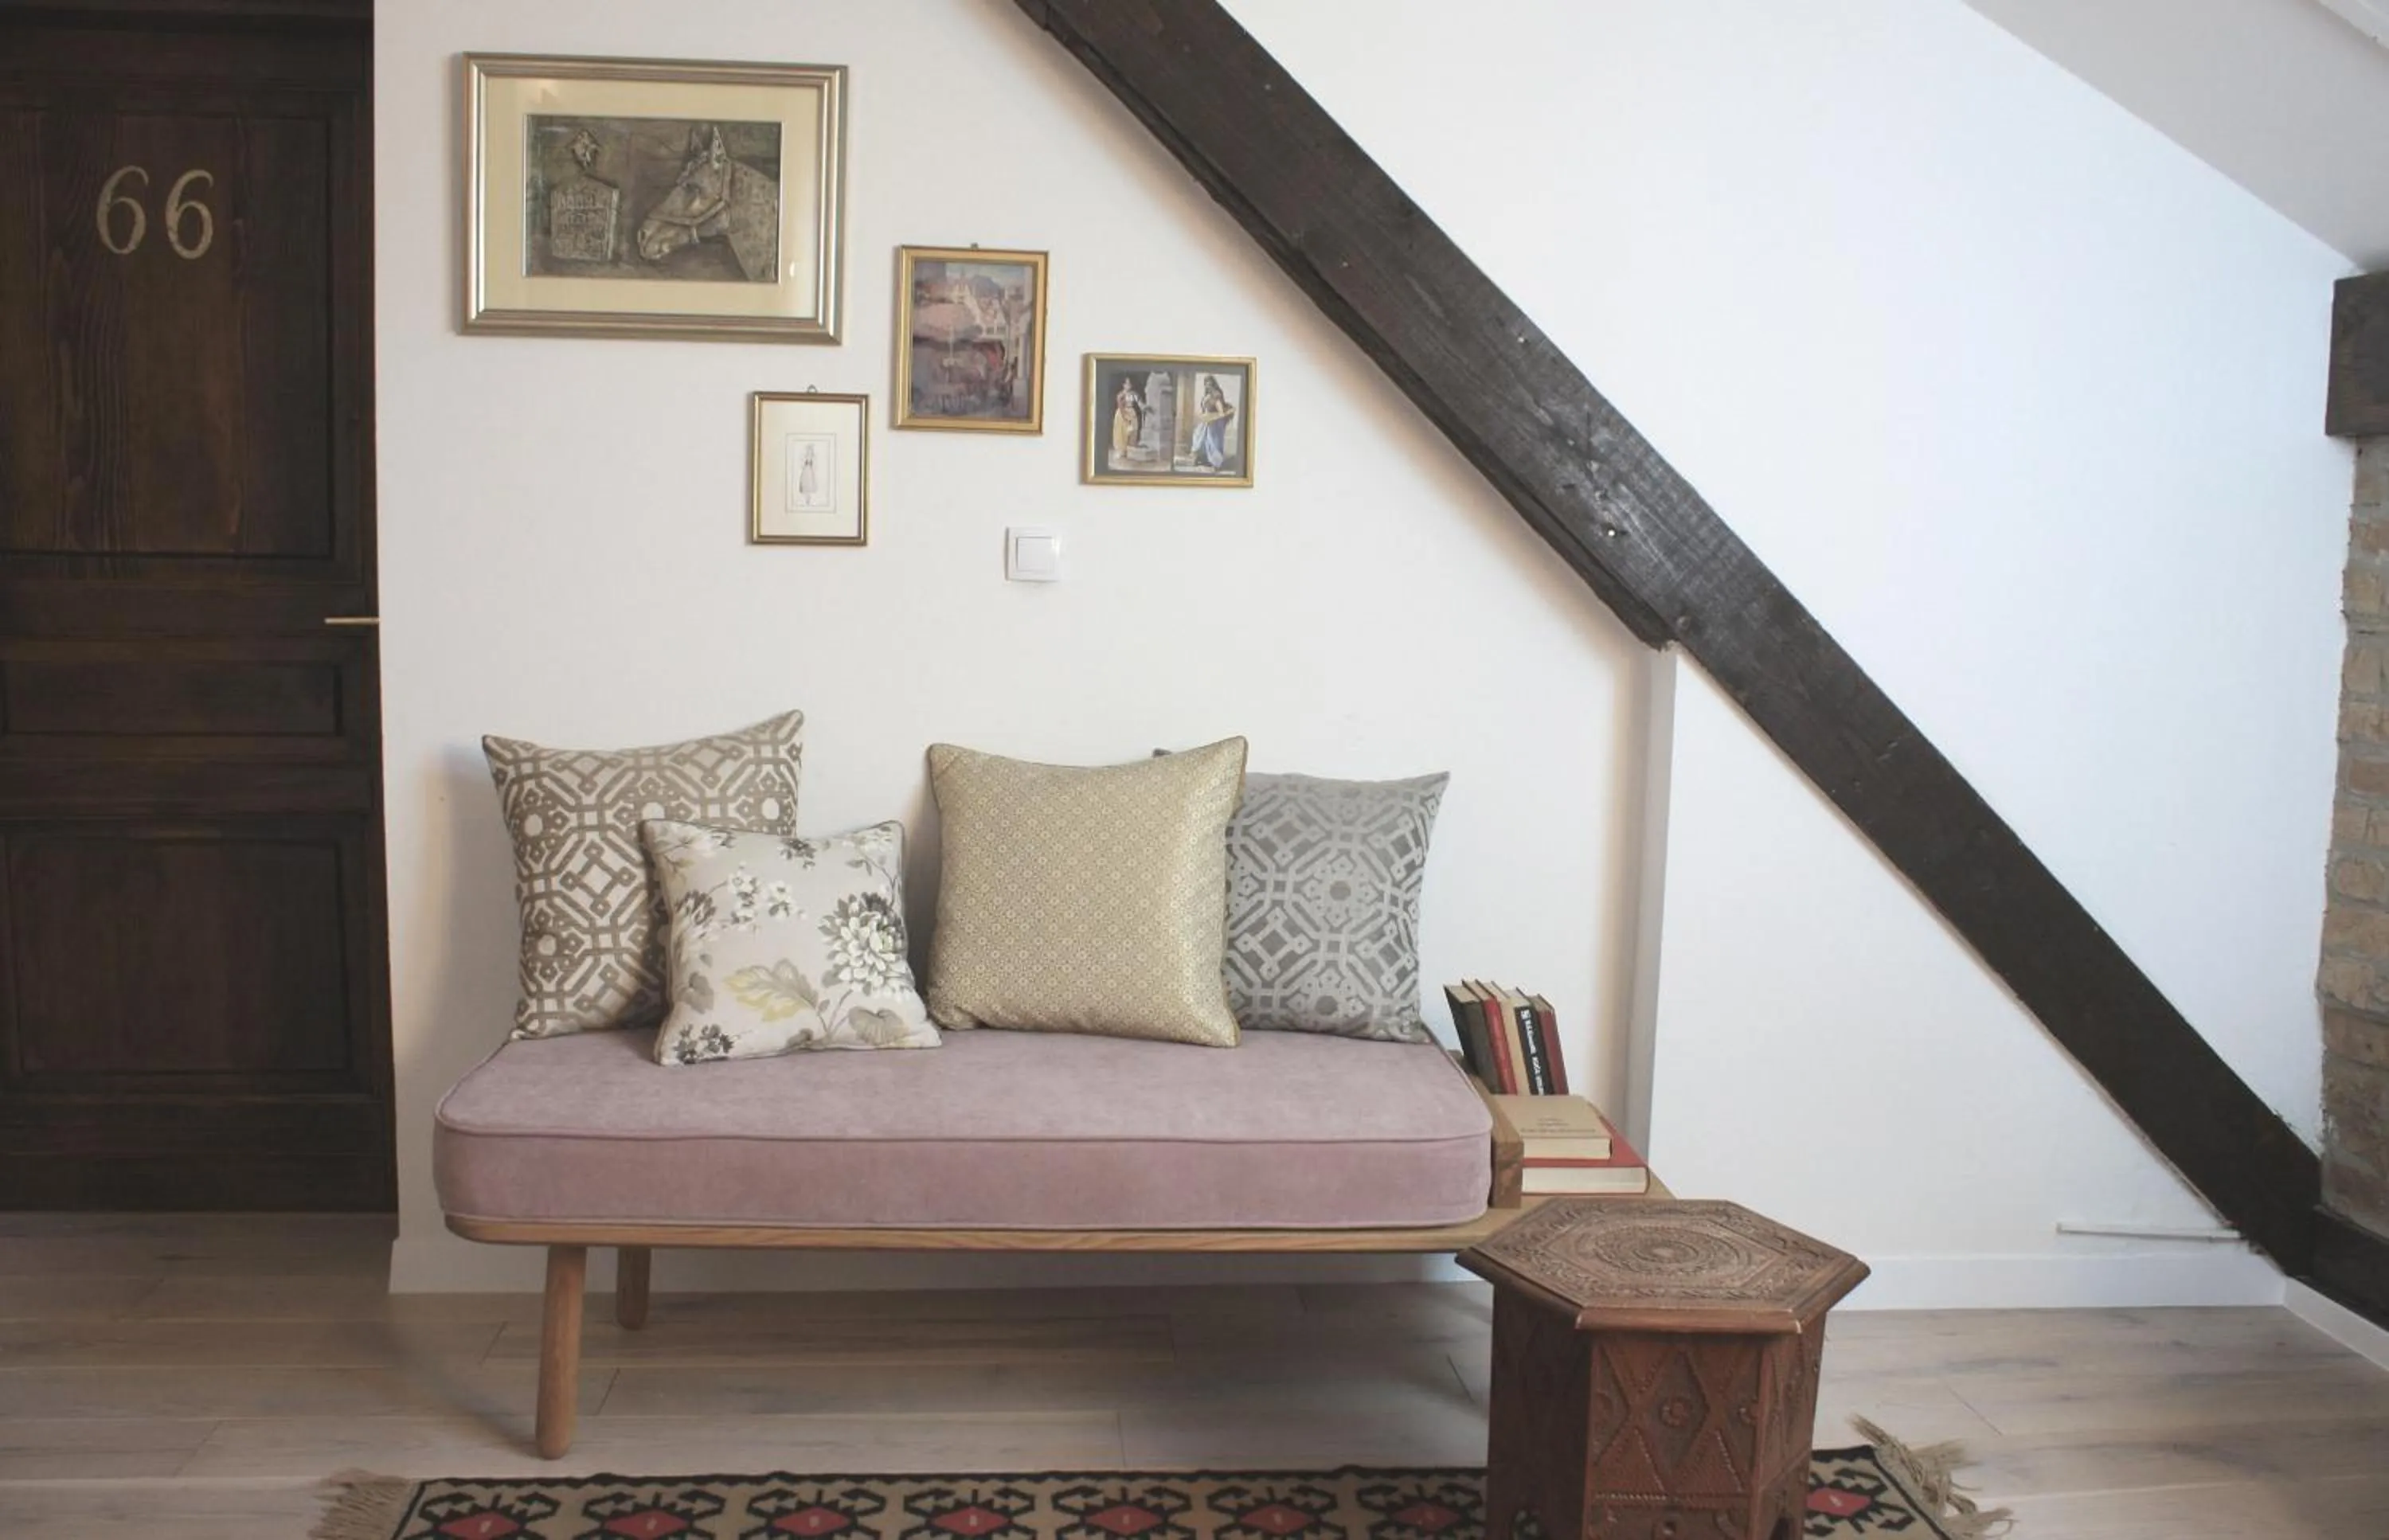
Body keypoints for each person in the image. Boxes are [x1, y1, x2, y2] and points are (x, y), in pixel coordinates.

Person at [1188, 374, 1236, 470]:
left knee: (1212, 441)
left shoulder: (1216, 395)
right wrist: (1204, 416)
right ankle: (1201, 459)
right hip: (1207, 420)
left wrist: (1216, 416)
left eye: (1209, 384)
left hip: (1214, 422)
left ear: (1213, 384)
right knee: (1198, 437)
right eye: (1206, 384)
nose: (1207, 386)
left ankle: (1215, 463)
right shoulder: (1207, 395)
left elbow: (1220, 411)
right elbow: (1204, 408)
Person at [1110, 376, 1143, 466]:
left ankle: (1130, 450)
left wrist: (1145, 407)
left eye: (1129, 384)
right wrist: (1125, 417)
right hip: (1122, 413)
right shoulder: (1121, 395)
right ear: (1123, 385)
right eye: (1126, 384)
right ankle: (1121, 451)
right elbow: (1121, 407)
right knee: (1122, 432)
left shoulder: (1134, 394)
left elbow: (1140, 403)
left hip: (1131, 412)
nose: (1128, 385)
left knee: (1133, 431)